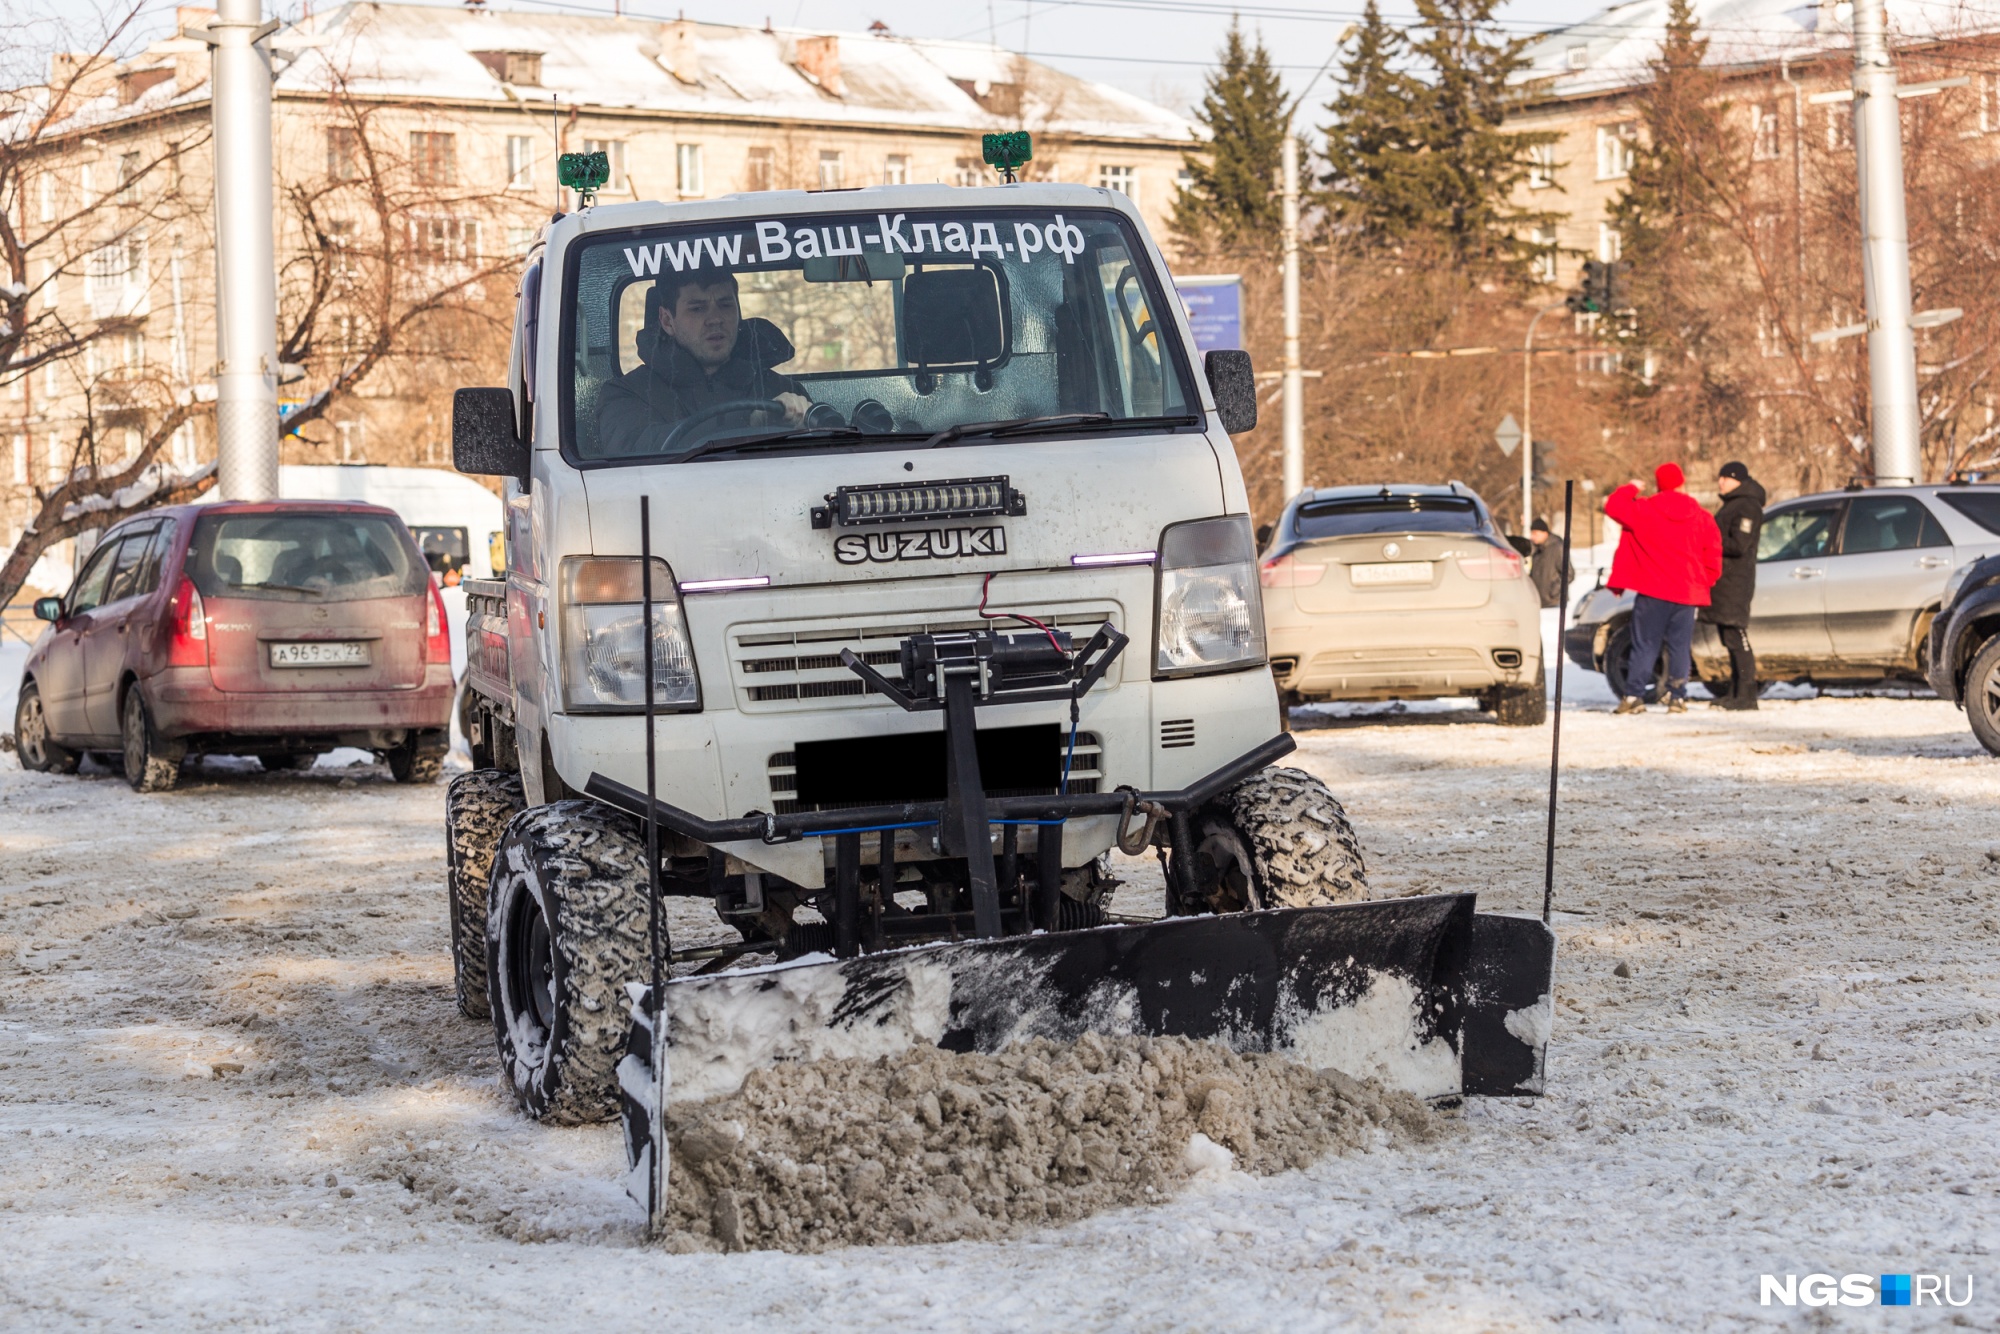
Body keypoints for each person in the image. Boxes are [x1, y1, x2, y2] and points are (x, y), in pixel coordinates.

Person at [596, 271, 811, 457]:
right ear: (667, 321)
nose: (715, 319)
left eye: (725, 305)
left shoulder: (782, 390)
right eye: (697, 308)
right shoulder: (628, 394)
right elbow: (632, 453)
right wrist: (750, 420)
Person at [1604, 463, 1723, 715]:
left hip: (1652, 591)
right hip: (1686, 593)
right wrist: (1706, 580)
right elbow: (1712, 554)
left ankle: (1634, 696)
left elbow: (1613, 506)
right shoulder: (1701, 516)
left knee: (1645, 644)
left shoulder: (1644, 510)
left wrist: (1631, 488)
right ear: (1682, 482)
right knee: (1680, 646)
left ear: (1659, 484)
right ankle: (1677, 697)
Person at [1702, 461, 1766, 710]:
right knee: (1729, 637)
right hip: (1726, 581)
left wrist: (1709, 543)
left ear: (1738, 480)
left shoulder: (1746, 506)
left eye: (1725, 478)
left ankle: (1747, 695)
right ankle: (1736, 691)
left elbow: (1739, 544)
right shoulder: (1734, 504)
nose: (1721, 482)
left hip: (1735, 582)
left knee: (1736, 636)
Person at [1526, 516, 1572, 610]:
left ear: (1545, 533)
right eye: (1532, 533)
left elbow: (1569, 574)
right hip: (1539, 602)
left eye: (1535, 533)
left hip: (1554, 603)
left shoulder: (1557, 547)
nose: (1532, 537)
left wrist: (1554, 591)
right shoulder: (1537, 549)